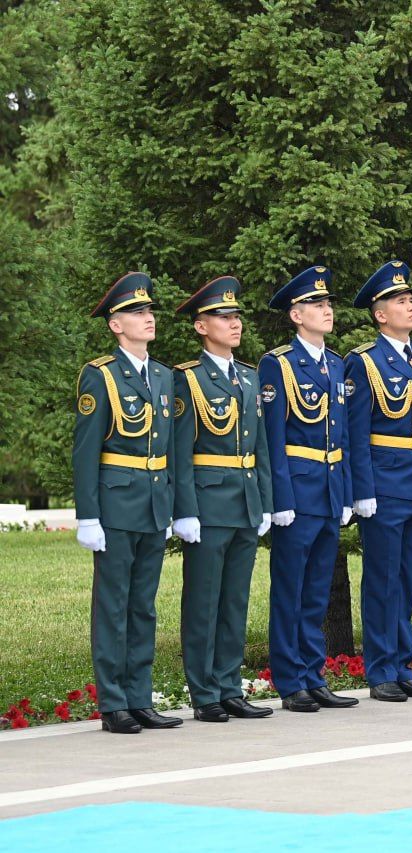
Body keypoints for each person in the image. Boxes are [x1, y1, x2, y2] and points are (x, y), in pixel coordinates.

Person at [73, 272, 181, 734]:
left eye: (149, 310)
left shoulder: (163, 375)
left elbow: (169, 447)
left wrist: (174, 504)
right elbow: (86, 451)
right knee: (113, 606)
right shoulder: (100, 375)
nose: (148, 317)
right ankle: (113, 703)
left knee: (143, 607)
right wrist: (88, 516)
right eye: (137, 312)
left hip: (154, 504)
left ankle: (140, 697)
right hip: (116, 505)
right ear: (116, 325)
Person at [172, 276, 275, 722]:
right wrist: (185, 510)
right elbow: (179, 450)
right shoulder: (188, 379)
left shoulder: (249, 377)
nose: (235, 324)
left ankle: (230, 687)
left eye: (236, 317)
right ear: (201, 326)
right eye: (223, 317)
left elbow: (261, 447)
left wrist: (266, 501)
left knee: (234, 601)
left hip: (245, 502)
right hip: (208, 503)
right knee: (203, 601)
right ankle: (204, 692)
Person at [345, 261, 412, 702]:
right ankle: (381, 669)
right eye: (401, 301)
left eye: (411, 300)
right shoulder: (365, 362)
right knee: (382, 580)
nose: (411, 306)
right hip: (385, 483)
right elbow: (356, 433)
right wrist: (362, 490)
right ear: (380, 314)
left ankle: (403, 666)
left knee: (407, 579)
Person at [259, 265, 356, 713]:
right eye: (316, 304)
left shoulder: (335, 364)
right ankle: (290, 679)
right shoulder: (278, 364)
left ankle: (314, 676)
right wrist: (280, 499)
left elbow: (344, 436)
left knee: (316, 592)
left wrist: (347, 493)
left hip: (329, 490)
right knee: (290, 590)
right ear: (296, 315)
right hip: (297, 493)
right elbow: (274, 439)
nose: (327, 309)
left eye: (328, 303)